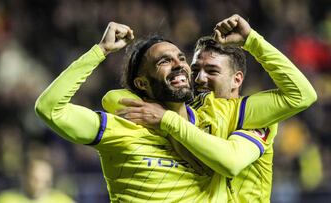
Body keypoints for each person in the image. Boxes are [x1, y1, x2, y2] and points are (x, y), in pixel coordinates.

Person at [35, 15, 316, 202]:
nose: (184, 67)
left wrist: (252, 40)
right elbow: (50, 109)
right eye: (164, 62)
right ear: (142, 83)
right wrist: (100, 51)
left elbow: (301, 96)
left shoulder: (223, 113)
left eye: (180, 57)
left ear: (237, 79)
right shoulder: (124, 123)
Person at [0, 159, 75, 203]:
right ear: (25, 177)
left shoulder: (61, 200)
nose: (40, 185)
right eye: (36, 180)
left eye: (45, 181)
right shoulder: (7, 199)